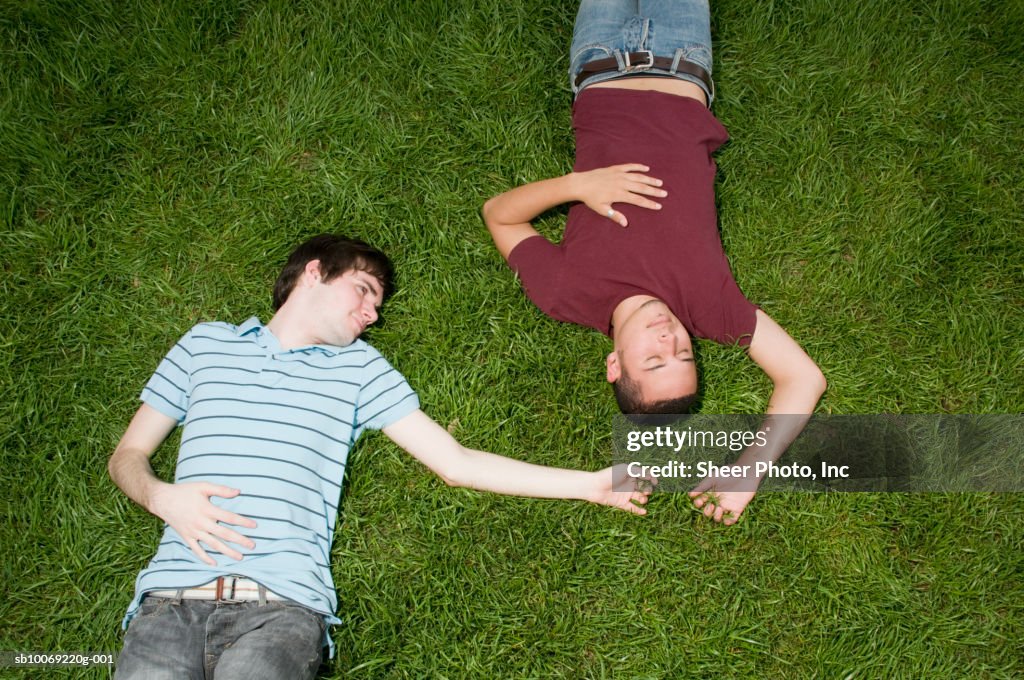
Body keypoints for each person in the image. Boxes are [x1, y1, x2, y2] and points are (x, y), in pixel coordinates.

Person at [108, 234, 651, 679]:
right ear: (314, 272)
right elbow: (127, 454)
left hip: (279, 608)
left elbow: (455, 462)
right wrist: (161, 498)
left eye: (377, 306)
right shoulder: (205, 345)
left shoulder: (360, 370)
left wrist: (589, 482)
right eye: (364, 292)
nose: (371, 314)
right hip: (167, 603)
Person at [482, 0, 826, 524]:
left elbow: (499, 217)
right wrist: (750, 469)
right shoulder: (710, 308)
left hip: (597, 66)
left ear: (614, 364)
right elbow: (803, 379)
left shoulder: (564, 293)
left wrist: (578, 187)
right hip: (683, 62)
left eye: (654, 360)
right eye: (685, 358)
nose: (670, 341)